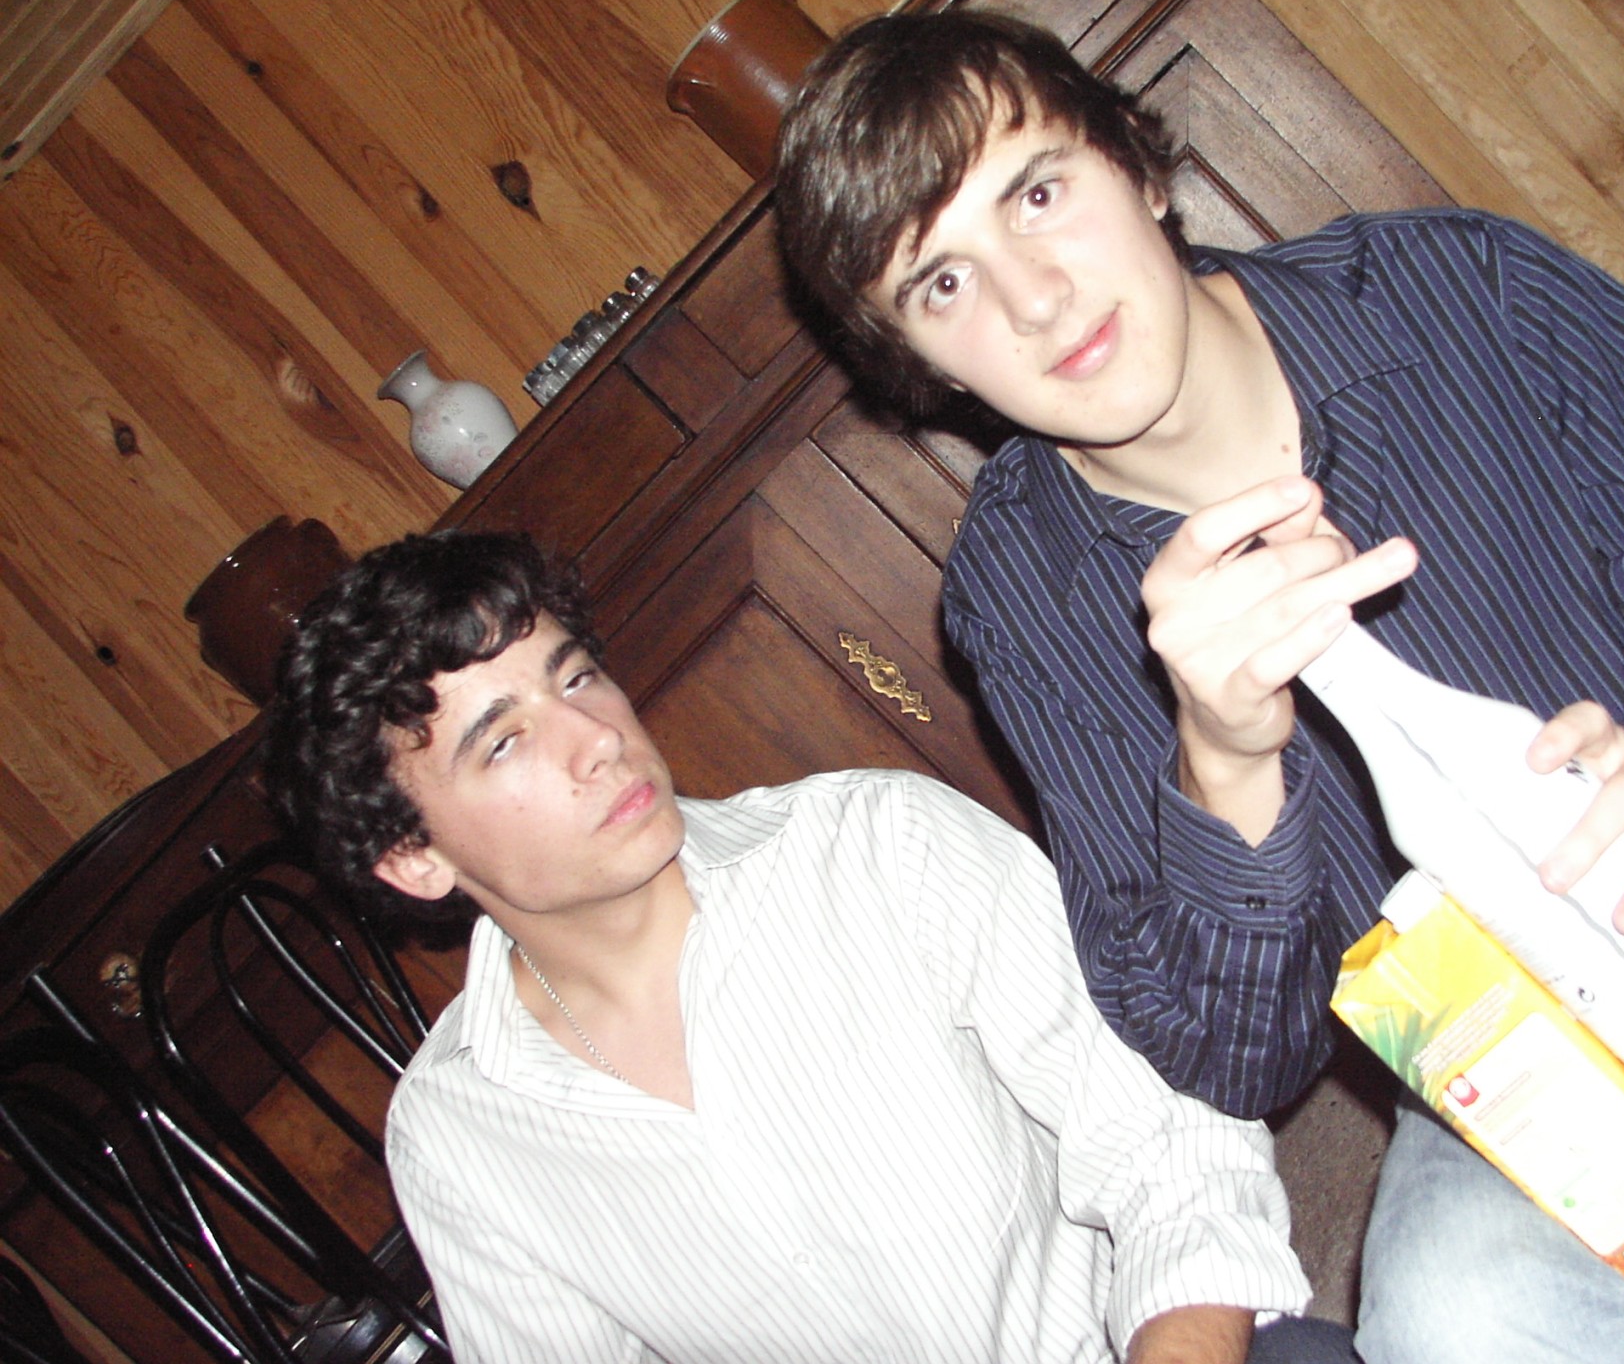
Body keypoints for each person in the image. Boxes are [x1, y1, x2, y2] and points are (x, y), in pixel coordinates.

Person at [771, 9, 1624, 1364]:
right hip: (1503, 1044)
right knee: (1454, 1319)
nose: (1031, 298)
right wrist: (1220, 759)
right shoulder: (1022, 597)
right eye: (941, 284)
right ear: (920, 362)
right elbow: (1232, 1057)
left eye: (1036, 194)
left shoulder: (1461, 287)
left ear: (1134, 164)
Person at [262, 528, 1355, 1364]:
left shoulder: (880, 844)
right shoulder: (458, 1134)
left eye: (576, 675)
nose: (595, 738)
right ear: (414, 857)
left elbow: (1170, 1141)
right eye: (504, 741)